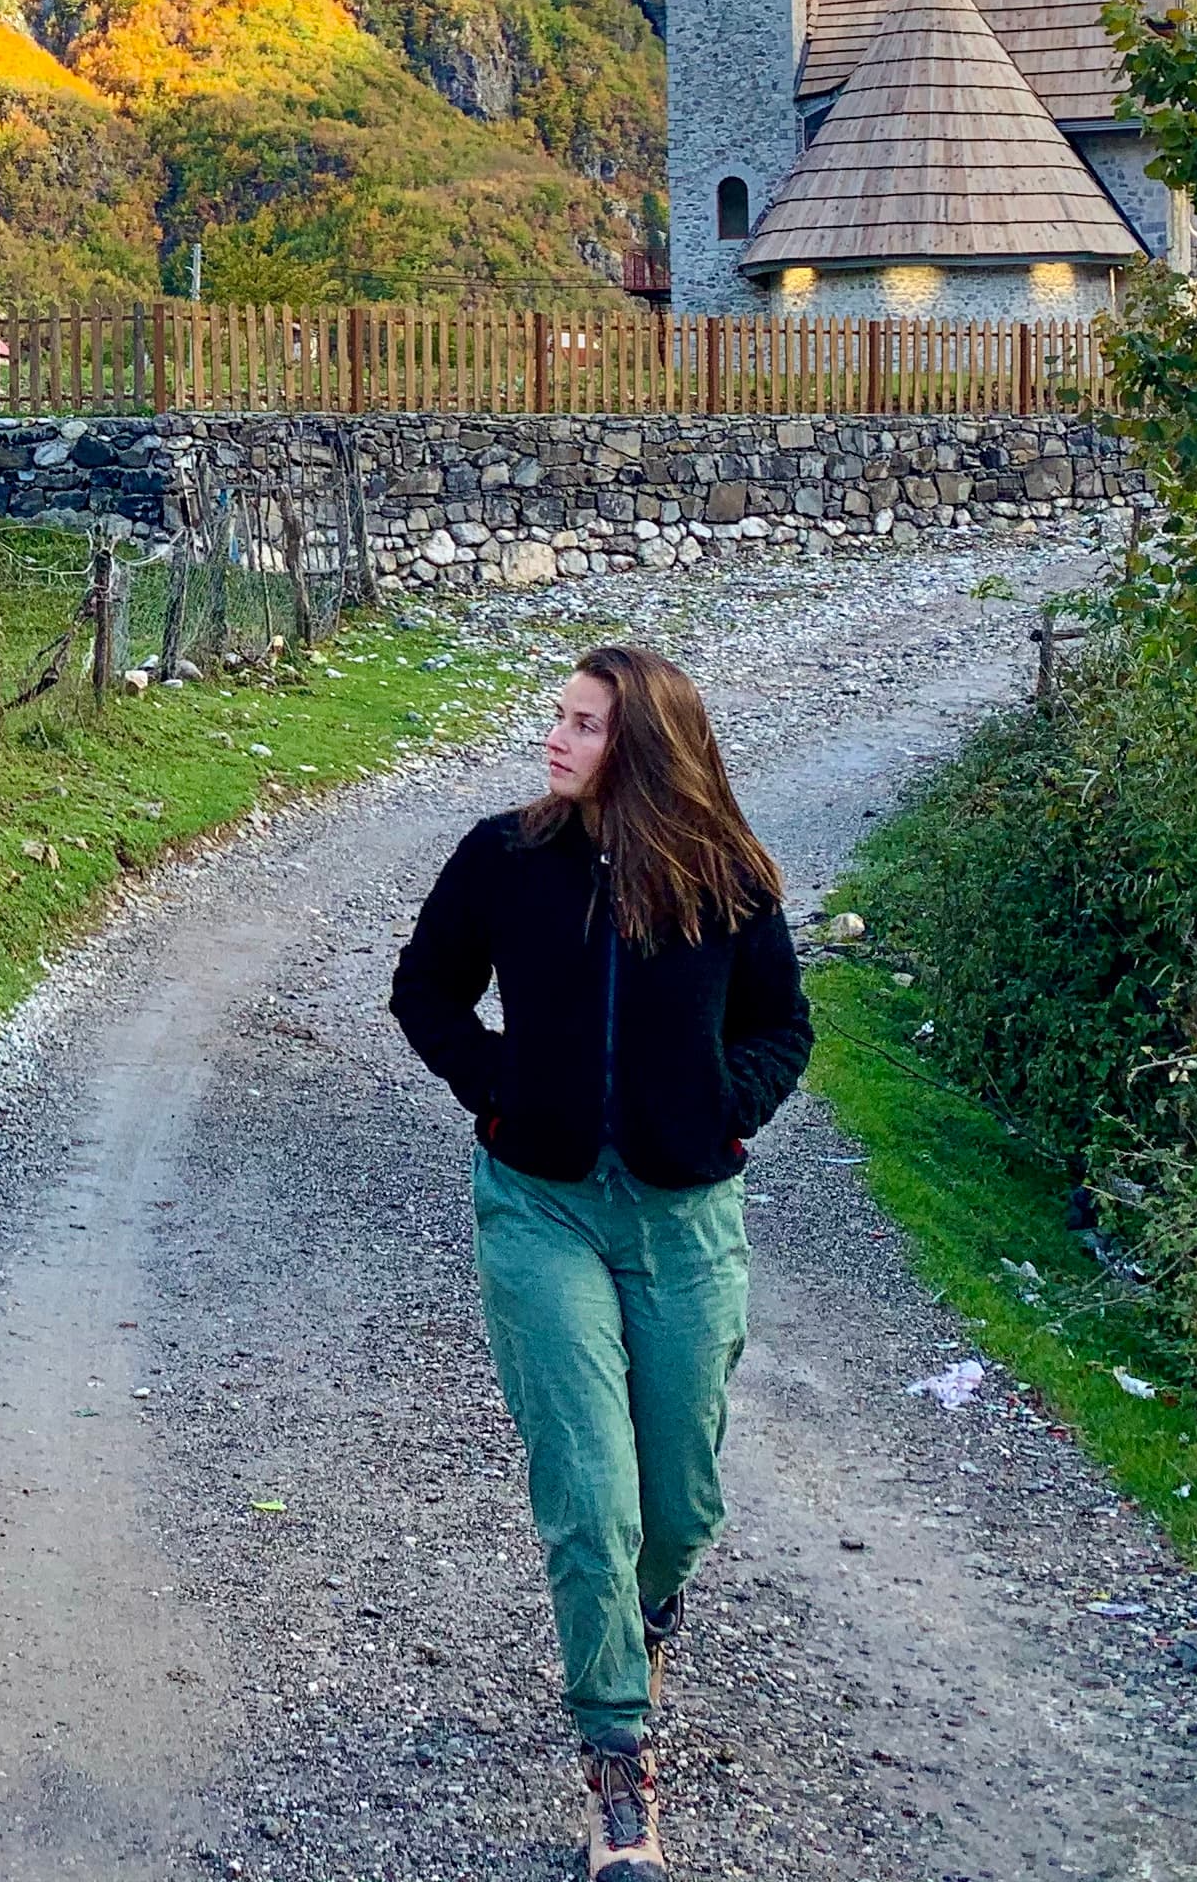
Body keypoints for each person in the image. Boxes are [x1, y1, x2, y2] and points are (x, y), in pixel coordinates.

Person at [390, 644, 811, 1878]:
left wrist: (726, 1109)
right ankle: (619, 1784)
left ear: (642, 745)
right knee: (590, 1494)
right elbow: (423, 994)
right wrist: (497, 1093)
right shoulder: (503, 859)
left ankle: (641, 1617)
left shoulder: (725, 877)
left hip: (683, 1219)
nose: (555, 740)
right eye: (557, 718)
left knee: (677, 1506)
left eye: (582, 725)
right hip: (541, 1208)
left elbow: (782, 1023)